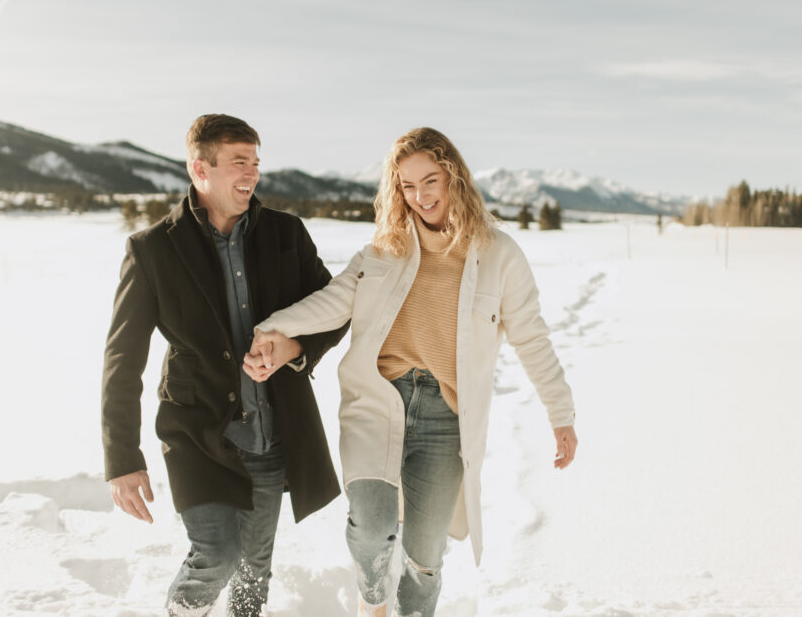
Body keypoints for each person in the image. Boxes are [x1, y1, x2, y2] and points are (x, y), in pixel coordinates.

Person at [245, 127, 577, 617]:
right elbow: (335, 301)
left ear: (454, 177)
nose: (419, 197)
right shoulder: (385, 249)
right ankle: (372, 602)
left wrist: (560, 413)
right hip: (379, 399)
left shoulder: (499, 255)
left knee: (425, 558)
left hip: (447, 415)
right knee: (372, 529)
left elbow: (531, 336)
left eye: (430, 181)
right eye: (406, 186)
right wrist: (274, 327)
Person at [101, 113, 348, 616]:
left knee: (255, 567)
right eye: (239, 162)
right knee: (217, 555)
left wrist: (294, 350)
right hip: (199, 433)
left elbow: (336, 308)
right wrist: (122, 456)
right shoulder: (152, 249)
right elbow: (123, 356)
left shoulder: (286, 234)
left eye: (255, 162)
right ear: (201, 169)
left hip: (273, 433)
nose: (252, 174)